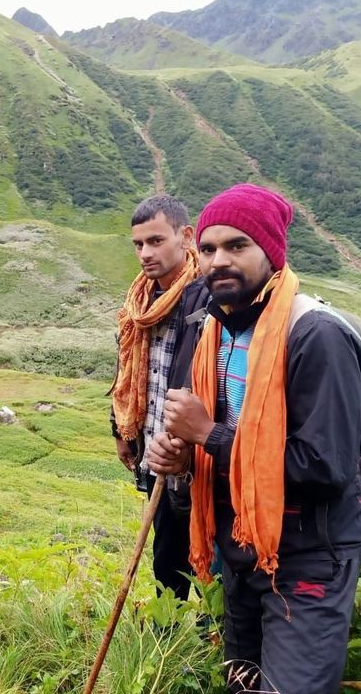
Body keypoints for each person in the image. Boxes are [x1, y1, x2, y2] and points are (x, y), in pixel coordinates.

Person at [147, 183, 361, 694]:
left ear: (271, 252)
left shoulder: (316, 335)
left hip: (309, 552)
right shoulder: (218, 332)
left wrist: (209, 434)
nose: (218, 260)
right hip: (244, 545)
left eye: (237, 246)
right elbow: (224, 439)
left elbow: (324, 467)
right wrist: (182, 452)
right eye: (207, 249)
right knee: (243, 683)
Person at [109, 194, 208, 601]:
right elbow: (126, 372)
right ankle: (166, 638)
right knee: (166, 551)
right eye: (138, 244)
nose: (145, 253)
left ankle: (212, 636)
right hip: (152, 444)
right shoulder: (139, 301)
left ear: (185, 237)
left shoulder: (205, 297)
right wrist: (120, 429)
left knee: (206, 548)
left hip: (195, 450)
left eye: (155, 241)